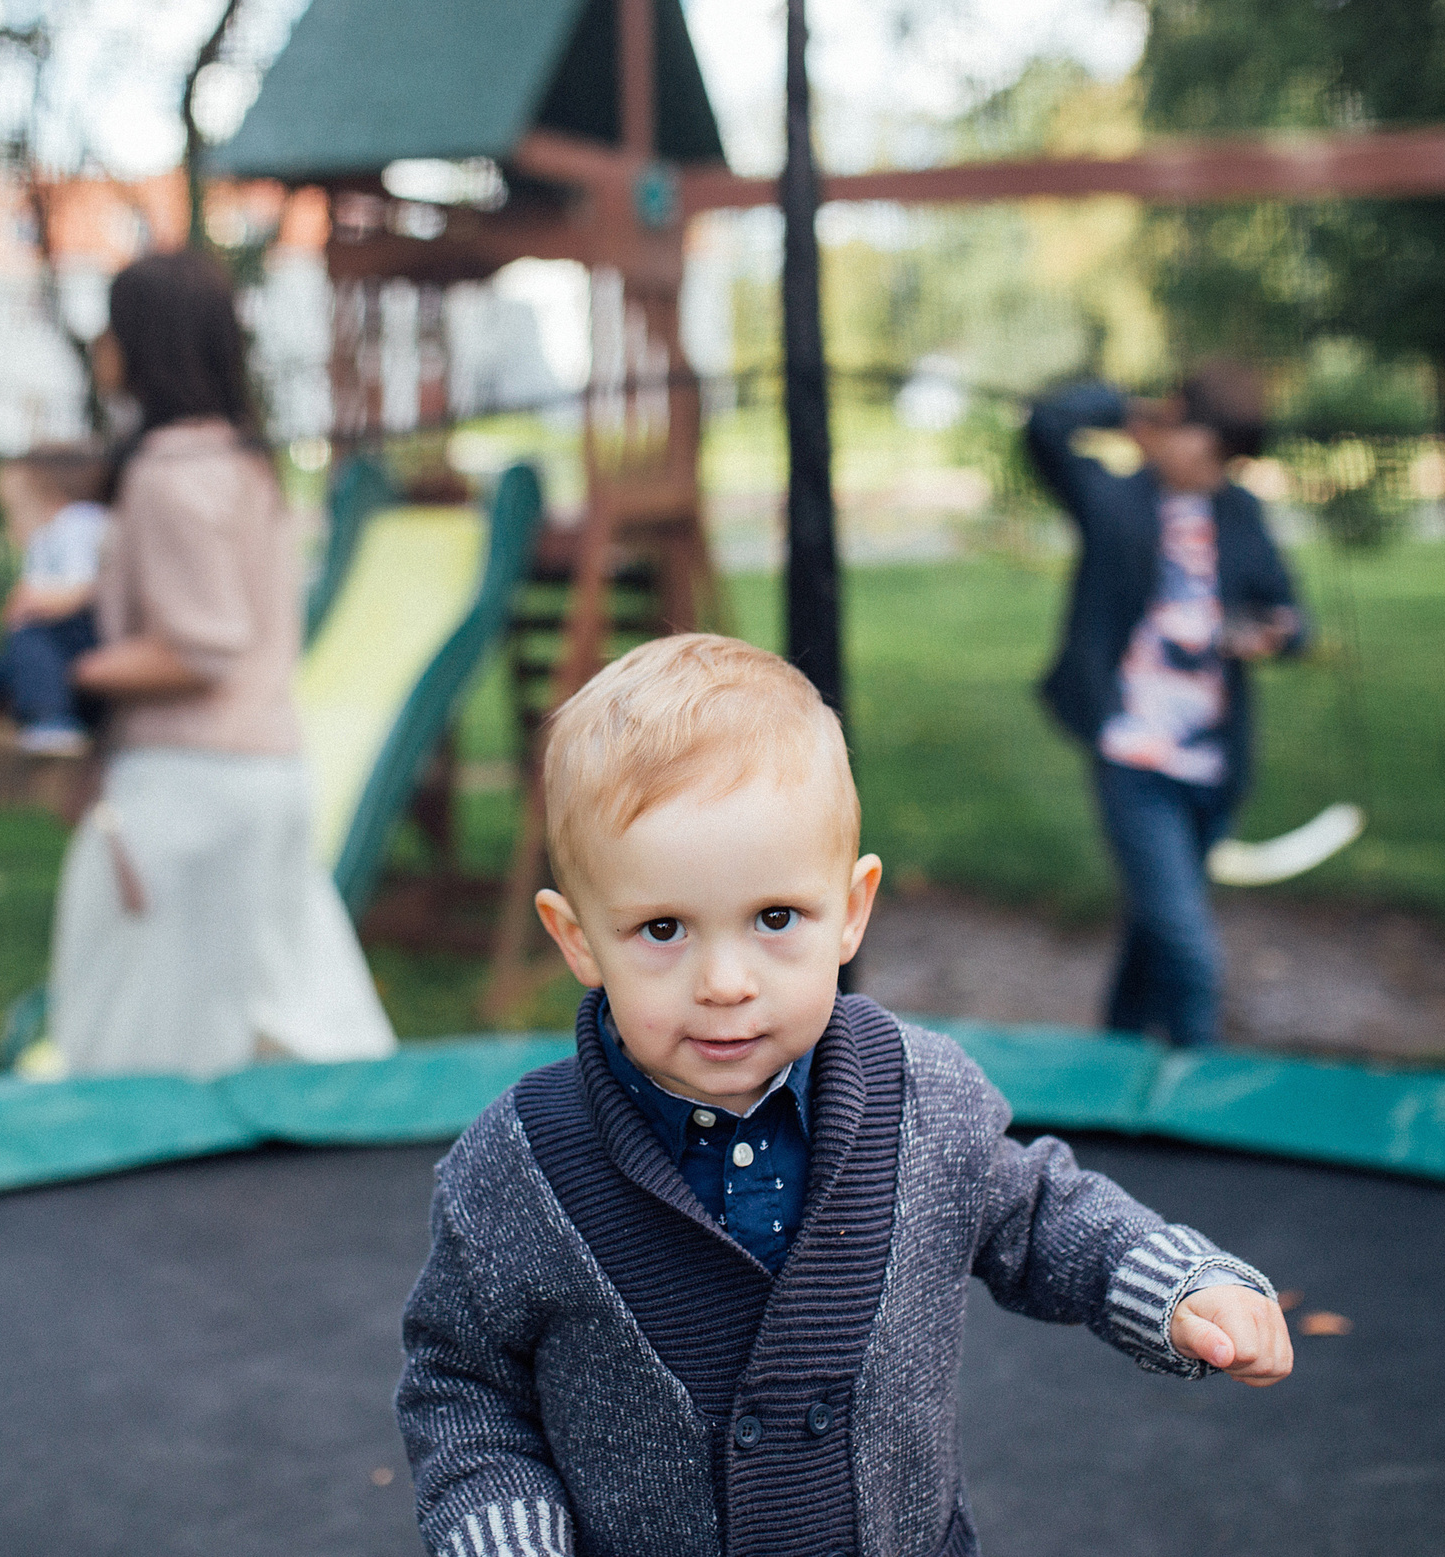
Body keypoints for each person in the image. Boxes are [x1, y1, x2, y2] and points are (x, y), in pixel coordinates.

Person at [396, 634, 1291, 1557]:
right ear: (578, 937)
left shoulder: (923, 1101)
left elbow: (1043, 1215)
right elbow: (464, 1384)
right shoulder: (521, 1168)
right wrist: (505, 1534)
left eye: (775, 917)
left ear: (851, 910)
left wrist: (1177, 1285)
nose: (727, 982)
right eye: (662, 929)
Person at [44, 249, 395, 1078]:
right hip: (268, 771)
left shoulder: (167, 469)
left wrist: (70, 674)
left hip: (190, 787)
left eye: (112, 327)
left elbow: (202, 644)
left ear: (143, 340)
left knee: (135, 1037)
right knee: (286, 1018)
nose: (101, 347)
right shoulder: (241, 458)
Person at [1024, 363, 1306, 1048]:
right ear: (1173, 426)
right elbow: (1044, 427)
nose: (1209, 469)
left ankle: (1113, 1057)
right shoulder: (1113, 500)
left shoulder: (1238, 512)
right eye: (1201, 449)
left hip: (1212, 766)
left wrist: (1274, 632)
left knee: (1153, 936)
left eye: (1224, 460)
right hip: (1135, 756)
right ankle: (1195, 1086)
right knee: (1190, 956)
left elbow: (1290, 614)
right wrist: (1124, 407)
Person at [0, 444, 109, 756]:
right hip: (66, 632)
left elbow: (84, 588)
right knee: (18, 650)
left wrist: (29, 605)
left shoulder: (78, 523)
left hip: (89, 631)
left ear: (49, 498)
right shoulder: (51, 535)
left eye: (14, 510)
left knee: (29, 639)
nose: (10, 523)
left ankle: (50, 720)